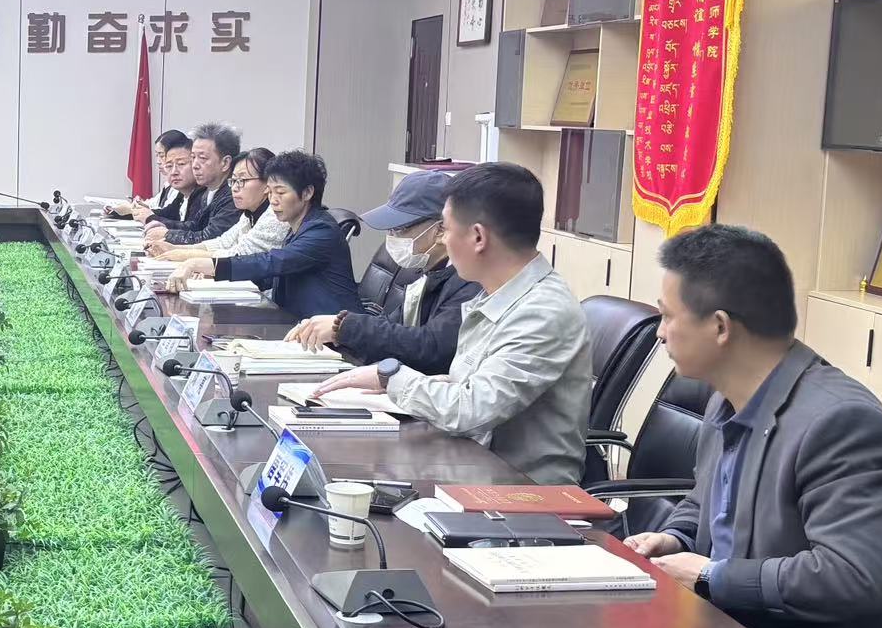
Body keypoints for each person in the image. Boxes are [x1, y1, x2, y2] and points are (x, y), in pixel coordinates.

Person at [623, 225, 882, 628]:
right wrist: (675, 538)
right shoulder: (728, 395)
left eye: (667, 315)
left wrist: (713, 576)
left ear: (720, 327)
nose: (659, 333)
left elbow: (851, 576)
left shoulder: (840, 424)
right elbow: (707, 499)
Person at [310, 163, 590, 485]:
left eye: (444, 228)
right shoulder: (495, 293)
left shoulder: (541, 312)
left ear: (478, 237)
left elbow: (470, 410)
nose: (442, 239)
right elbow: (468, 386)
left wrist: (390, 377)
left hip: (522, 491)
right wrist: (396, 382)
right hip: (469, 465)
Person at [286, 169, 479, 376]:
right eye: (390, 229)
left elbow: (432, 347)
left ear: (441, 230)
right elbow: (393, 329)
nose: (392, 237)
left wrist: (344, 328)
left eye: (400, 229)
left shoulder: (470, 280)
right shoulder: (425, 270)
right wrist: (333, 330)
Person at [180, 151, 359, 318]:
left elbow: (273, 262)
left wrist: (209, 265)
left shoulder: (321, 230)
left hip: (335, 332)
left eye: (280, 192)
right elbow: (272, 278)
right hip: (298, 323)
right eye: (270, 192)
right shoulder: (297, 228)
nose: (273, 200)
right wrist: (214, 277)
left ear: (307, 193)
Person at [159, 148, 283, 269]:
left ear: (267, 184)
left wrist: (185, 255)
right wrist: (175, 248)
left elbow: (239, 255)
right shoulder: (248, 214)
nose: (234, 188)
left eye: (242, 180)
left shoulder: (275, 216)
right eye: (233, 180)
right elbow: (223, 242)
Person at [152, 123, 242, 245]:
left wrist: (167, 234)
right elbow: (196, 226)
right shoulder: (208, 191)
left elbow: (211, 238)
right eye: (193, 157)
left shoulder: (234, 194)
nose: (194, 165)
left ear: (225, 163)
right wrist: (162, 226)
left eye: (202, 158)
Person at [112, 129, 192, 221]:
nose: (158, 161)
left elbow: (181, 223)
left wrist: (134, 210)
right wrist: (138, 206)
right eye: (157, 155)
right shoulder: (172, 185)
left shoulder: (189, 189)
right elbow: (163, 211)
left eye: (161, 156)